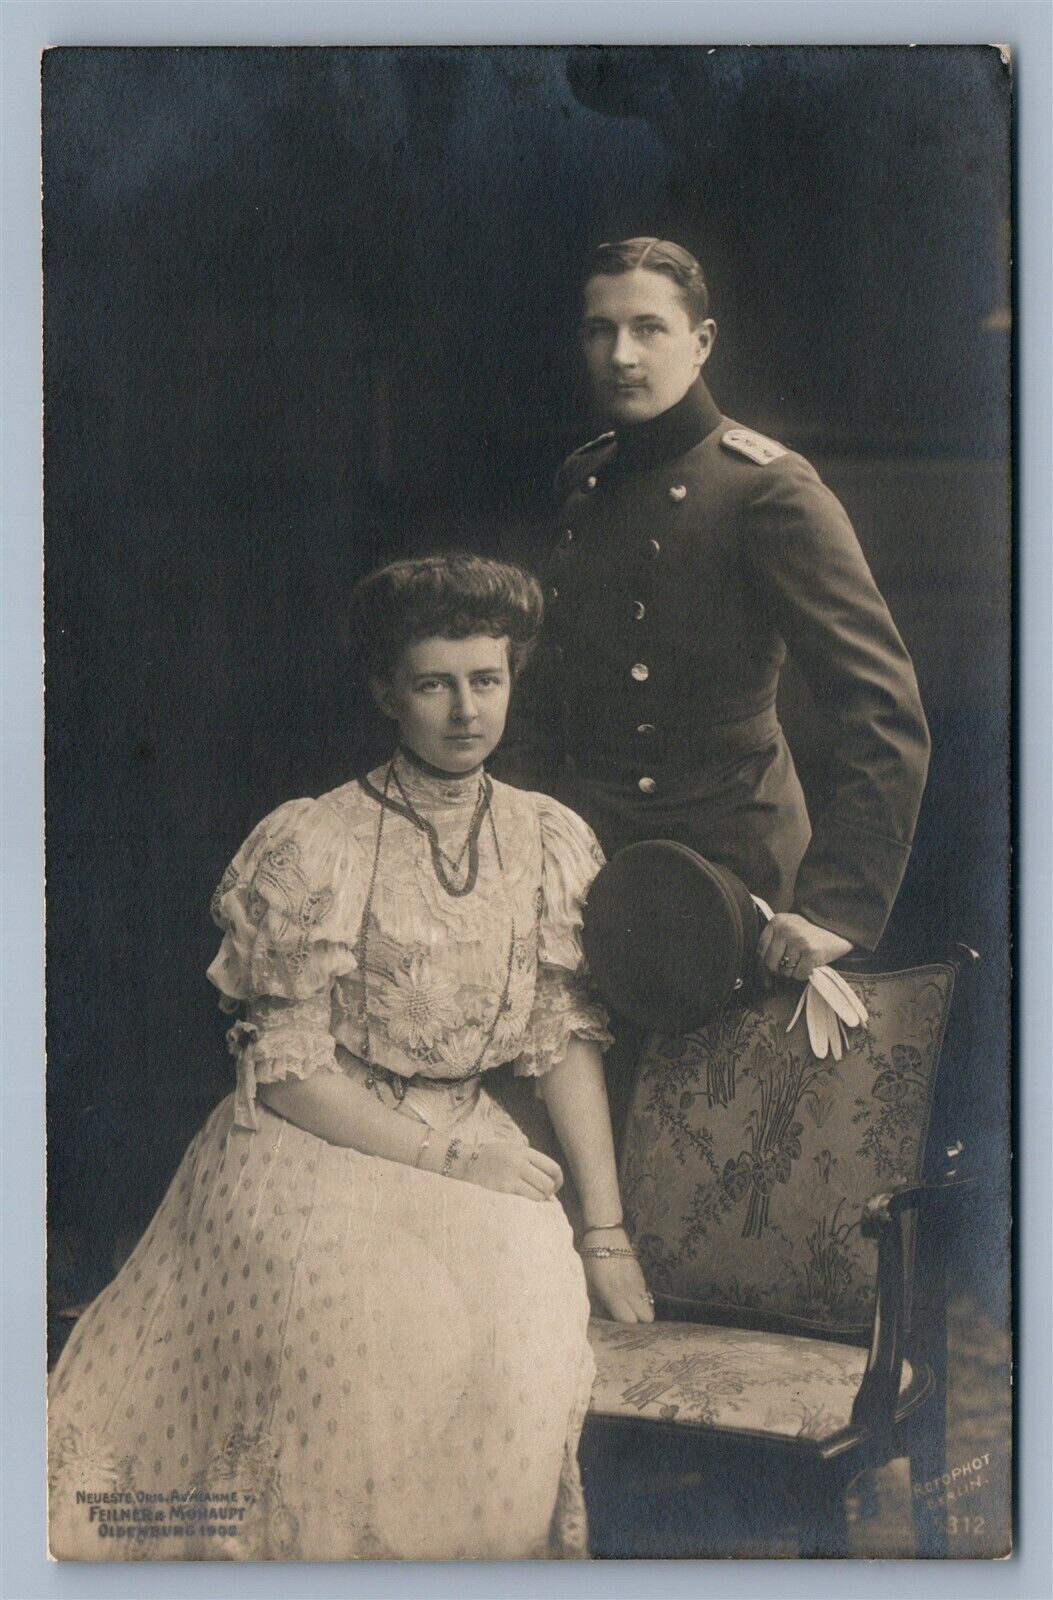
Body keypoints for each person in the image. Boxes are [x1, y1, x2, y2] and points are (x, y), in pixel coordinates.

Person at [47, 553, 652, 1563]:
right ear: (386, 692)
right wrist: (450, 1160)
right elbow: (285, 1072)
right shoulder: (314, 840)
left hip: (481, 1142)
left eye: (487, 680)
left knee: (521, 1318)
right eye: (434, 683)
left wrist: (606, 1227)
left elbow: (562, 1040)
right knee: (370, 1332)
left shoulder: (549, 839)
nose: (465, 710)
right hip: (317, 1144)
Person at [501, 236, 930, 985]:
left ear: (699, 343)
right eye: (599, 331)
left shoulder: (766, 489)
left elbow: (882, 709)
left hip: (732, 881)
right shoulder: (586, 479)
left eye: (647, 329)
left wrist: (837, 910)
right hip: (589, 868)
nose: (621, 355)